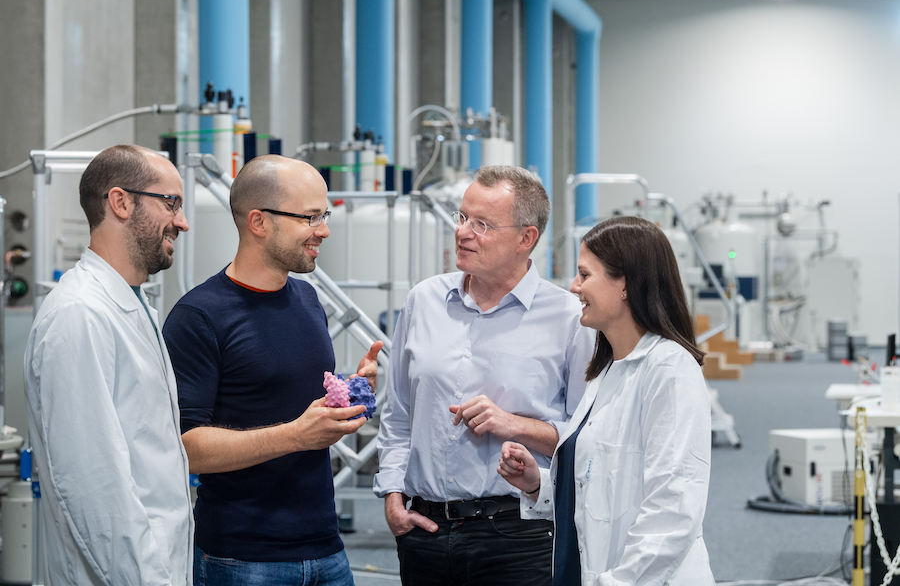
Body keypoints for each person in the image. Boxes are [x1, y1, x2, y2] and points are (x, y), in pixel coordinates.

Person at [162, 154, 382, 586]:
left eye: (325, 215)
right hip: (241, 559)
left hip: (327, 548)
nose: (324, 229)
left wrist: (349, 396)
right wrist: (296, 434)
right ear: (259, 222)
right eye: (310, 217)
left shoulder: (307, 300)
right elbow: (185, 447)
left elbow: (296, 405)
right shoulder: (199, 317)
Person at [374, 165, 594, 585]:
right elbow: (399, 413)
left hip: (519, 535)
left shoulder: (570, 319)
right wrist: (392, 495)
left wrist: (514, 425)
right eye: (461, 217)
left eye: (482, 224)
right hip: (425, 531)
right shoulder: (424, 301)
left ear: (525, 238)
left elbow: (587, 441)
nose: (462, 232)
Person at [498, 215, 715, 586]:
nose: (574, 286)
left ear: (626, 285)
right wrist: (540, 485)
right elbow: (599, 482)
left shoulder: (670, 370)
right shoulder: (606, 369)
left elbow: (673, 510)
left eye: (585, 275)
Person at [25, 144, 193, 585]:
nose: (183, 221)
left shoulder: (133, 305)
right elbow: (94, 487)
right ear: (120, 202)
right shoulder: (80, 314)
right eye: (171, 203)